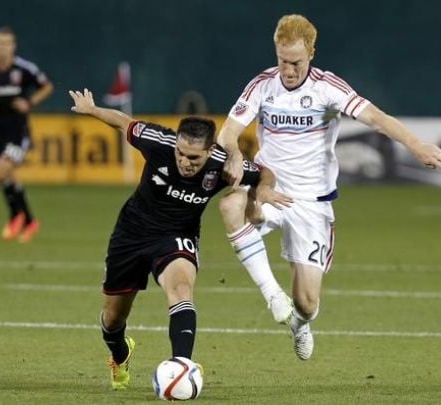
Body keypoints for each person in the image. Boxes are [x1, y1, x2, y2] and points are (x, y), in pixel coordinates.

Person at [217, 14, 441, 361]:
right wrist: (235, 152)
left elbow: (376, 118)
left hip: (312, 203)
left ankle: (300, 322)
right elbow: (227, 133)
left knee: (308, 303)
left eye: (296, 62)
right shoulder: (262, 86)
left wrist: (416, 146)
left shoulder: (327, 88)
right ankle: (272, 295)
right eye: (283, 60)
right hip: (268, 189)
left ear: (311, 52)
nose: (288, 70)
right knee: (230, 206)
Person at [68, 88, 288, 390]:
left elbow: (264, 173)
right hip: (131, 234)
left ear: (210, 152)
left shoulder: (222, 165)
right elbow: (123, 122)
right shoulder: (159, 142)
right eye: (181, 154)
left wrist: (261, 191)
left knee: (182, 289)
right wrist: (92, 110)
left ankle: (182, 367)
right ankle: (120, 354)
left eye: (193, 157)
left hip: (177, 236)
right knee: (113, 319)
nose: (184, 161)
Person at [0, 26, 54, 243]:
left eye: (7, 43)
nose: (2, 47)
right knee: (8, 176)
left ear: (14, 46)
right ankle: (29, 221)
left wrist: (30, 102)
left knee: (0, 172)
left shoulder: (24, 69)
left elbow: (47, 86)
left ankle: (15, 215)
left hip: (19, 133)